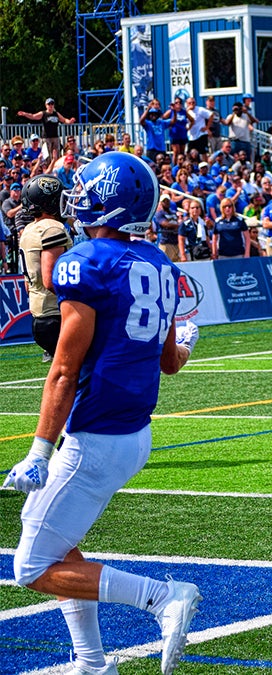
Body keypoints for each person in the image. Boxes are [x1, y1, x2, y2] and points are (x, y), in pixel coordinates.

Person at [4, 151, 202, 675]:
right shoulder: (159, 263)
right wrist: (186, 343)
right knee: (58, 541)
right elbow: (170, 363)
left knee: (31, 566)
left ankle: (162, 597)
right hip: (135, 435)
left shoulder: (86, 262)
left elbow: (65, 371)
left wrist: (39, 450)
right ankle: (93, 663)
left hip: (95, 436)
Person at [17, 175, 71, 359]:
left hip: (40, 315)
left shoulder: (30, 229)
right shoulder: (52, 228)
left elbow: (27, 284)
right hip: (56, 315)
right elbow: (50, 280)